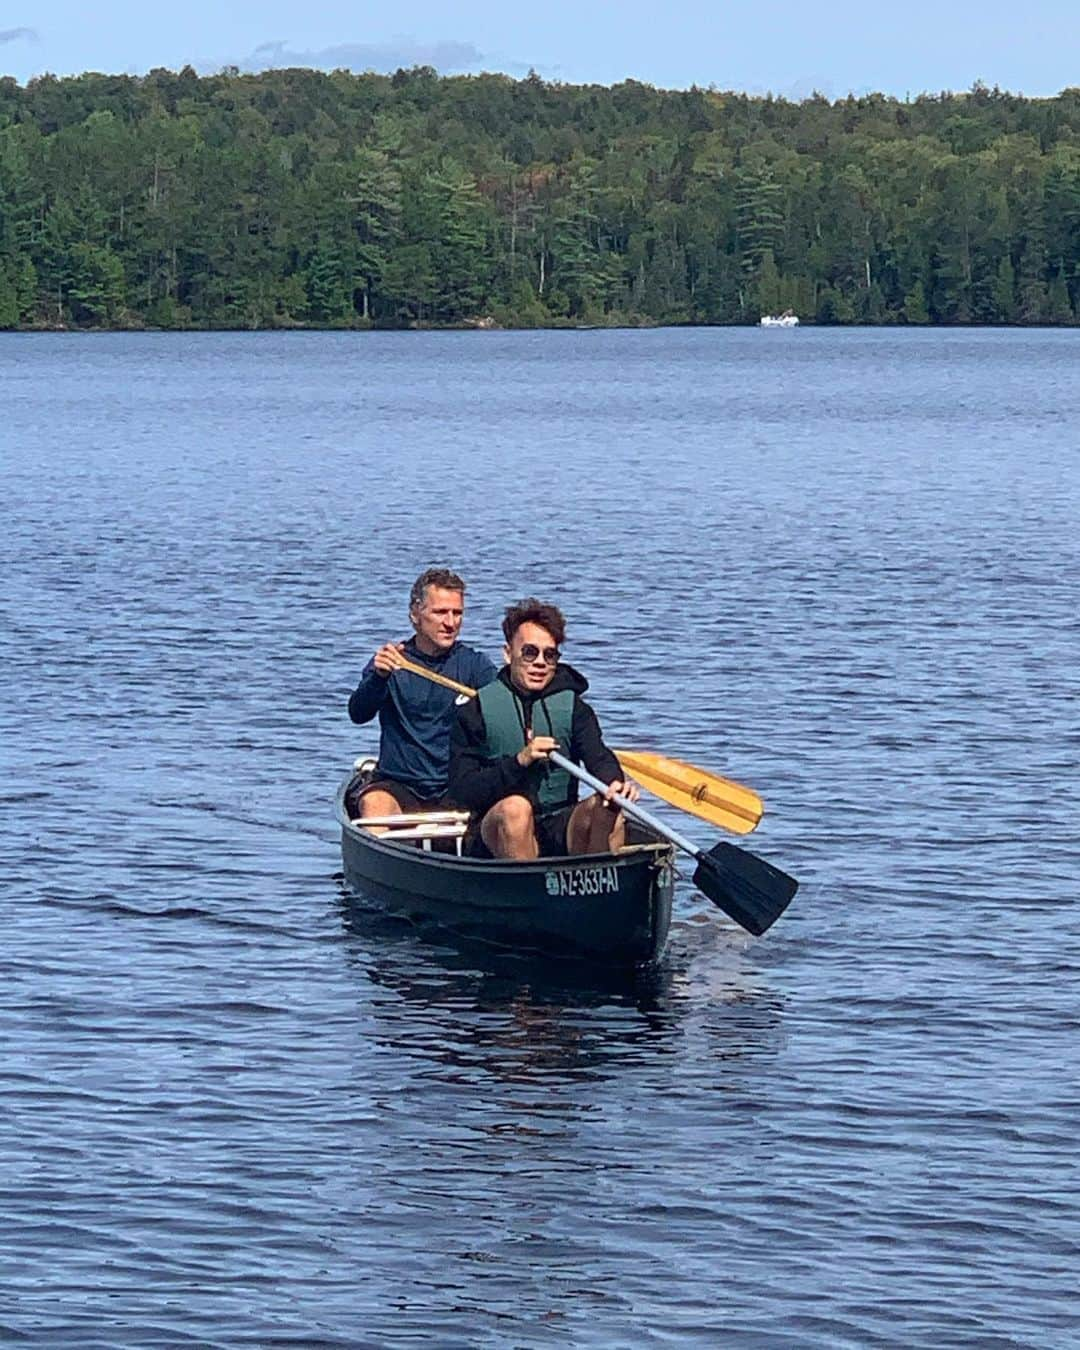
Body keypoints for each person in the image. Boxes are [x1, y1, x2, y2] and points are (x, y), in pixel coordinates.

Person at [448, 598, 639, 859]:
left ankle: (599, 887)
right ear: (507, 653)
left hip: (560, 822)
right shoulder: (475, 710)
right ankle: (527, 891)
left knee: (606, 806)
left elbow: (599, 756)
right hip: (497, 830)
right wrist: (519, 761)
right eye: (529, 652)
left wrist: (614, 783)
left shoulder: (574, 708)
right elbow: (464, 791)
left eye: (549, 655)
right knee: (516, 809)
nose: (540, 662)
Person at [348, 568, 497, 817]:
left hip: (456, 786)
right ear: (416, 614)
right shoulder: (393, 661)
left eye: (457, 613)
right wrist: (378, 678)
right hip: (400, 785)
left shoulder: (475, 666)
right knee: (374, 805)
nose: (450, 623)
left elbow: (505, 713)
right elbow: (358, 713)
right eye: (440, 613)